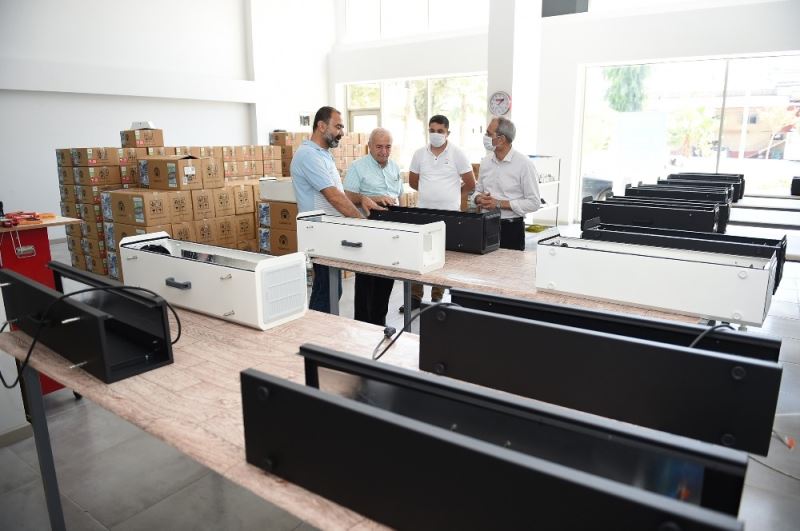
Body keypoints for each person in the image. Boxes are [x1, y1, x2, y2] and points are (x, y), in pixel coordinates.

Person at [291, 106, 383, 313]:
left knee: (331, 289)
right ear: (321, 126)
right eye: (338, 126)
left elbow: (339, 193)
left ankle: (318, 330)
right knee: (327, 291)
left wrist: (362, 199)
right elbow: (333, 196)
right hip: (319, 232)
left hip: (329, 231)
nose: (342, 132)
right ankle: (315, 332)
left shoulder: (323, 155)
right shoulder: (308, 155)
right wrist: (362, 223)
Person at [403, 115, 475, 312]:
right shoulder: (419, 154)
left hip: (449, 215)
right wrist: (431, 193)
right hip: (424, 214)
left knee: (442, 256)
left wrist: (453, 195)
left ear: (447, 133)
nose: (435, 134)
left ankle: (437, 298)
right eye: (432, 130)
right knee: (420, 254)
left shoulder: (457, 154)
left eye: (440, 131)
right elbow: (413, 182)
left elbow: (471, 183)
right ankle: (415, 296)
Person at [343, 127, 402, 325]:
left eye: (388, 147)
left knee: (385, 284)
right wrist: (374, 198)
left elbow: (399, 197)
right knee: (366, 285)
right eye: (379, 147)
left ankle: (379, 324)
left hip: (391, 234)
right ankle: (362, 328)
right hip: (367, 233)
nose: (384, 151)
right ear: (369, 146)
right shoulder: (358, 167)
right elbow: (347, 196)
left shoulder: (395, 167)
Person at [473, 116, 541, 250]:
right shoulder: (485, 162)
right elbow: (477, 191)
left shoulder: (524, 164)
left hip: (511, 229)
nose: (485, 137)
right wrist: (478, 198)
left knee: (510, 264)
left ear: (501, 139)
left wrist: (499, 203)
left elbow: (534, 203)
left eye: (489, 134)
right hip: (486, 225)